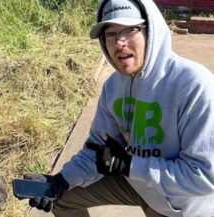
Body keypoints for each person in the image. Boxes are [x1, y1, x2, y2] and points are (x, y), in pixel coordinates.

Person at [21, 0, 214, 217]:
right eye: (110, 34)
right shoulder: (113, 86)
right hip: (135, 183)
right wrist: (60, 181)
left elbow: (205, 177)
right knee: (63, 198)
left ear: (151, 30)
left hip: (180, 204)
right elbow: (97, 150)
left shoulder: (195, 85)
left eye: (130, 30)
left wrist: (130, 166)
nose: (119, 42)